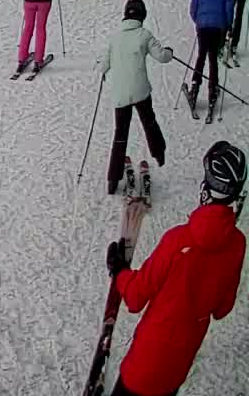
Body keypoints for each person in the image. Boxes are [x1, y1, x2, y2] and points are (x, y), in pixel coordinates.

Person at [103, 140, 245, 396]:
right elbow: (222, 308)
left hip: (146, 364)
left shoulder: (179, 241)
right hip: (179, 364)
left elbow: (135, 298)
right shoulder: (237, 244)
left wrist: (120, 271)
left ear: (206, 188)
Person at [103, 0, 173, 195]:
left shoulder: (114, 38)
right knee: (149, 122)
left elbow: (102, 65)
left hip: (120, 94)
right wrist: (169, 51)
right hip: (141, 91)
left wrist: (104, 70)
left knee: (120, 134)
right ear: (142, 15)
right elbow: (162, 56)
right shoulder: (144, 34)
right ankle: (159, 154)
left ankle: (112, 179)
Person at [187, 0, 233, 119]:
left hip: (203, 26)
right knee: (213, 59)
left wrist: (198, 21)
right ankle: (212, 90)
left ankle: (194, 85)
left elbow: (193, 7)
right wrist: (228, 25)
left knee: (201, 56)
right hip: (218, 27)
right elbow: (229, 8)